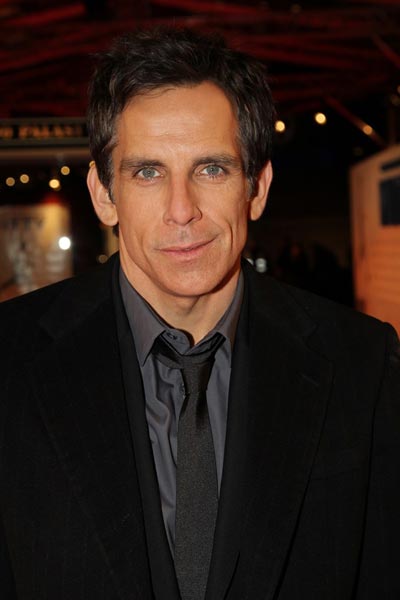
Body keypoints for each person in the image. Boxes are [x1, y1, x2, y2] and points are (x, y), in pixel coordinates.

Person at [0, 28, 399, 600]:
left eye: (211, 169)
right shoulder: (9, 362)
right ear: (104, 194)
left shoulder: (363, 362)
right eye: (148, 172)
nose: (181, 210)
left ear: (256, 188)